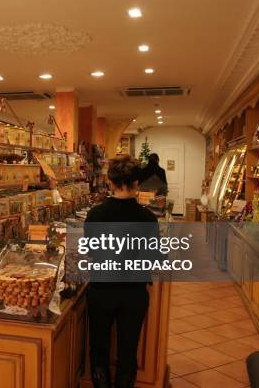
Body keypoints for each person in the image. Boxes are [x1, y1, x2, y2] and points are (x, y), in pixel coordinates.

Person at [84, 155, 158, 388]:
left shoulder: (96, 214)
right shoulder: (147, 218)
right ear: (137, 183)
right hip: (133, 294)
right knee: (128, 350)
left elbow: (90, 252)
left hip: (101, 291)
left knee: (99, 348)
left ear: (110, 182)